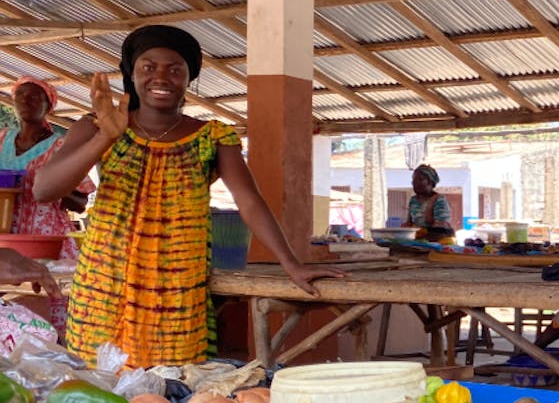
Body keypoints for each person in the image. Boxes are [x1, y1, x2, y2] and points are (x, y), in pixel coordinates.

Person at [34, 24, 344, 368]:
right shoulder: (94, 126)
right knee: (97, 385)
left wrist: (291, 264)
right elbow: (45, 190)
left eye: (174, 69)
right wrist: (105, 137)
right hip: (103, 285)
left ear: (189, 78)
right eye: (148, 67)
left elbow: (249, 200)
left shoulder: (212, 136)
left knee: (172, 387)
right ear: (132, 74)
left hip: (176, 289)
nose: (161, 77)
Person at [2, 77, 95, 260]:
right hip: (4, 236)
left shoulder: (61, 147)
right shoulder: (2, 139)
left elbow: (80, 203)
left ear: (48, 106)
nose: (25, 100)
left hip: (44, 238)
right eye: (20, 94)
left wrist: (51, 187)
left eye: (35, 96)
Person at [401, 164, 454, 243]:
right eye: (414, 179)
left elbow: (441, 230)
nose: (415, 183)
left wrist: (420, 235)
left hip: (438, 243)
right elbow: (409, 224)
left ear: (430, 181)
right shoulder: (413, 200)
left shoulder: (439, 200)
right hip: (419, 242)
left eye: (420, 179)